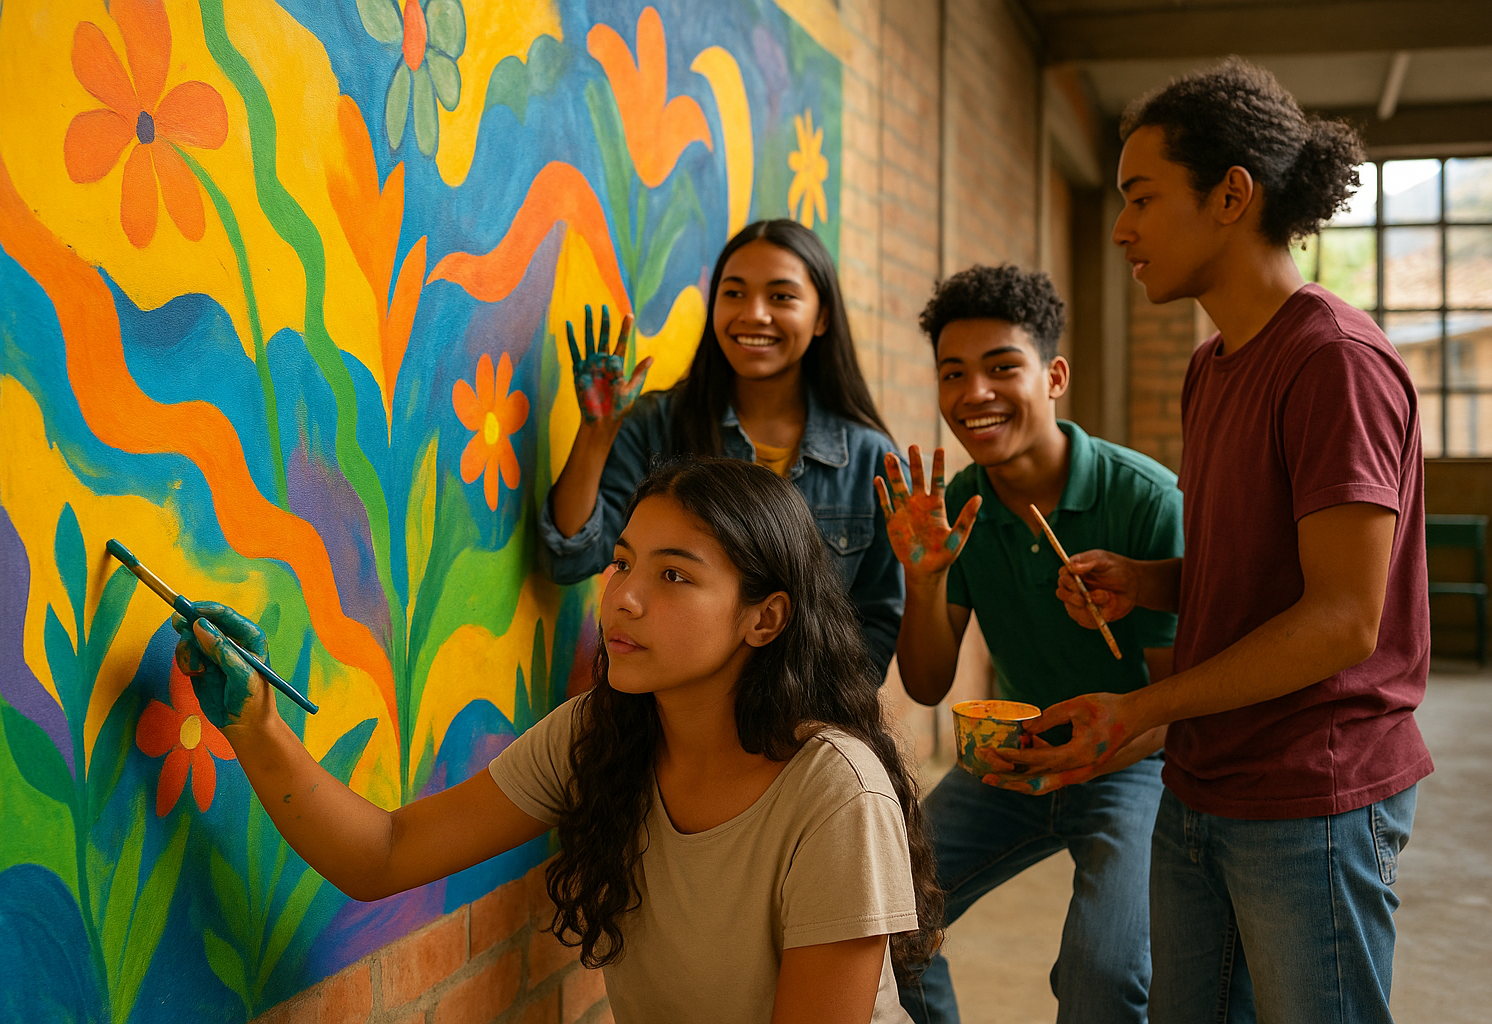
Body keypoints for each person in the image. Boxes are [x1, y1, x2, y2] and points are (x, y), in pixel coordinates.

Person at [174, 457, 943, 1024]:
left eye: (674, 577)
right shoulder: (600, 733)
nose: (626, 599)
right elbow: (382, 855)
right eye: (620, 563)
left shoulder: (835, 788)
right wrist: (254, 723)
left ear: (764, 618)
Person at [997, 59, 1432, 1024]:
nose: (1121, 230)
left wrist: (1142, 707)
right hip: (1205, 782)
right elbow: (1260, 575)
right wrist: (1147, 581)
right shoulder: (1213, 367)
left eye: (1142, 198)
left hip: (1312, 798)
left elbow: (1342, 620)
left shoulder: (1334, 362)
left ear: (1232, 195)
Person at [877, 265, 1183, 1024]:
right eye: (954, 373)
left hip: (1132, 764)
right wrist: (923, 581)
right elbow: (924, 684)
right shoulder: (955, 506)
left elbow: (1181, 704)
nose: (974, 393)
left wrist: (1096, 750)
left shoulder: (1146, 500)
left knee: (1103, 976)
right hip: (1010, 758)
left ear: (1053, 377)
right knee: (880, 920)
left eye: (1001, 367)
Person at [541, 219, 904, 673]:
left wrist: (820, 725)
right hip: (670, 712)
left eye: (781, 296)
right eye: (734, 293)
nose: (754, 313)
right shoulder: (657, 424)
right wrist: (596, 434)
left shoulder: (872, 460)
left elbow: (876, 622)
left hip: (801, 725)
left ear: (822, 316)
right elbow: (571, 558)